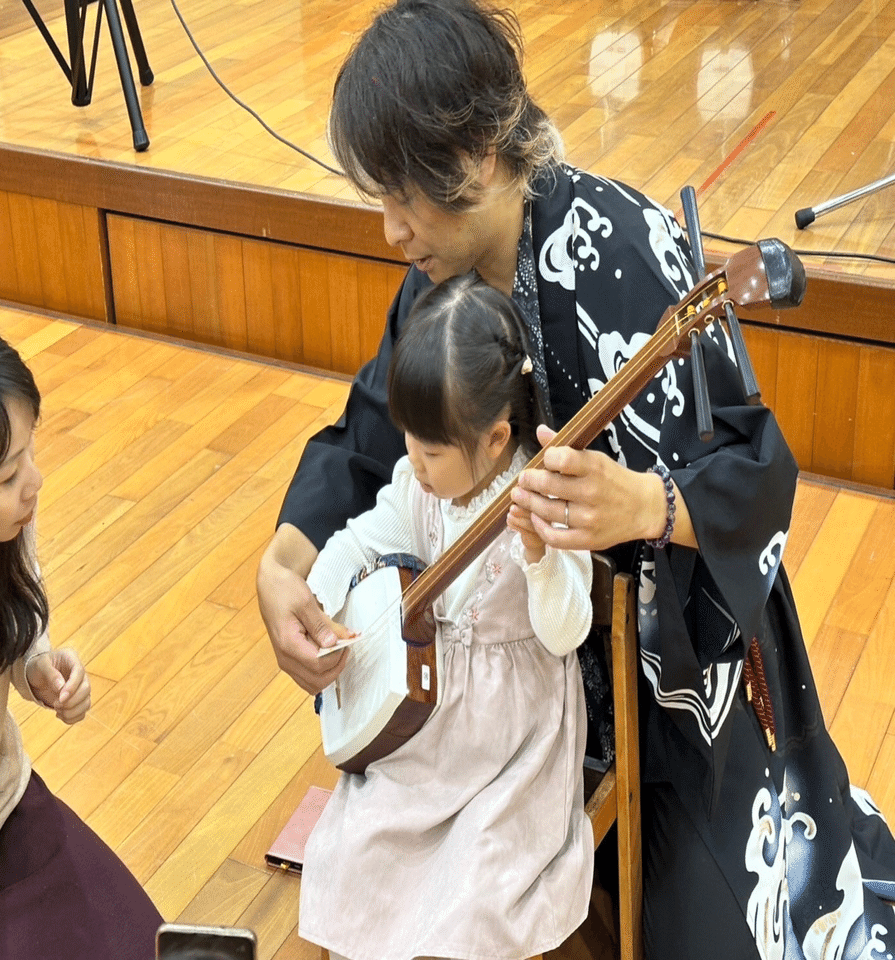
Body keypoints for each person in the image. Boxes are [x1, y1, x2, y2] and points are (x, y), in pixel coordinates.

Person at [255, 1, 895, 958]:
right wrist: (284, 562)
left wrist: (647, 504)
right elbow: (372, 429)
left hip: (658, 687)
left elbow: (757, 471)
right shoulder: (438, 274)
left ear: (475, 157)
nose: (389, 230)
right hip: (491, 673)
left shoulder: (624, 253)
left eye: (403, 197)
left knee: (706, 929)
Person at [298, 273, 595, 960]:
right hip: (428, 734)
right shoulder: (419, 488)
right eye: (409, 439)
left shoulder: (544, 500)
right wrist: (317, 600)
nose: (414, 460)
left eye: (431, 450)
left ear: (495, 439)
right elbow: (356, 543)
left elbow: (567, 631)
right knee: (356, 850)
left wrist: (540, 559)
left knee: (475, 893)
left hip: (513, 750)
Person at [0, 304, 164, 960]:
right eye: (7, 475)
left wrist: (33, 662)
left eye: (29, 451)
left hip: (5, 808)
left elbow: (12, 607)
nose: (33, 483)